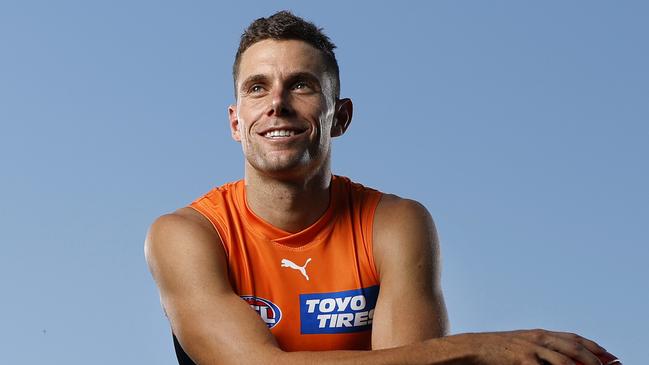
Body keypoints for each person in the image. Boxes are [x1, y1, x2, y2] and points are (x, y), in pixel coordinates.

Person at [145, 11, 618, 365]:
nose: (277, 104)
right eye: (256, 88)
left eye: (302, 86)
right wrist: (477, 349)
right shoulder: (189, 234)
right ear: (235, 121)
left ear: (341, 116)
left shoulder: (392, 223)